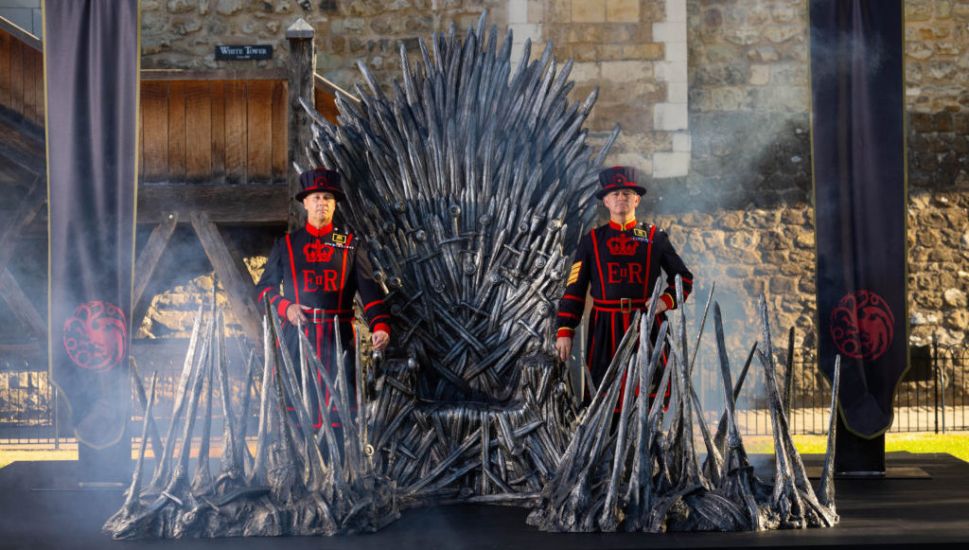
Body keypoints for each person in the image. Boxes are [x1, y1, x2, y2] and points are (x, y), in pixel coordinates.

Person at [255, 168, 390, 429]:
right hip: (297, 338)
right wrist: (287, 307)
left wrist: (381, 327)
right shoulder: (286, 244)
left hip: (338, 339)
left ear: (335, 204)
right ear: (305, 203)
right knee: (294, 419)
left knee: (339, 419)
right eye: (316, 197)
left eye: (327, 198)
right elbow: (264, 290)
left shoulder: (349, 244)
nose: (321, 203)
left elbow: (370, 293)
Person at [554, 166, 694, 399]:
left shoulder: (654, 238)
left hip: (646, 326)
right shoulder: (591, 241)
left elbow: (684, 278)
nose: (621, 198)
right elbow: (575, 289)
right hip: (604, 328)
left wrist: (664, 302)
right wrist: (565, 329)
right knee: (604, 395)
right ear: (606, 201)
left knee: (647, 395)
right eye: (615, 194)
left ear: (636, 200)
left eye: (627, 194)